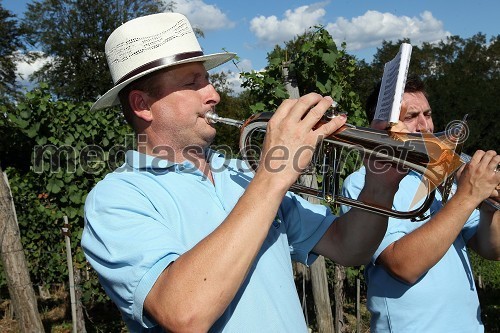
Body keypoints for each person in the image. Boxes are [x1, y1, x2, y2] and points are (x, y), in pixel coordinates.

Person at [81, 13, 405, 333]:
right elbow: (183, 314)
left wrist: (379, 187)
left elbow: (349, 247)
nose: (214, 94)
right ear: (142, 105)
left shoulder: (241, 173)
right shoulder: (116, 199)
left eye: (206, 80)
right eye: (192, 83)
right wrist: (272, 177)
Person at [340, 76, 500, 332]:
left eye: (428, 113)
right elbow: (403, 266)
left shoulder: (440, 175)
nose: (425, 126)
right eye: (411, 116)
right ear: (385, 126)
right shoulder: (361, 184)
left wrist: (488, 204)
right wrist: (468, 196)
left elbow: (491, 249)